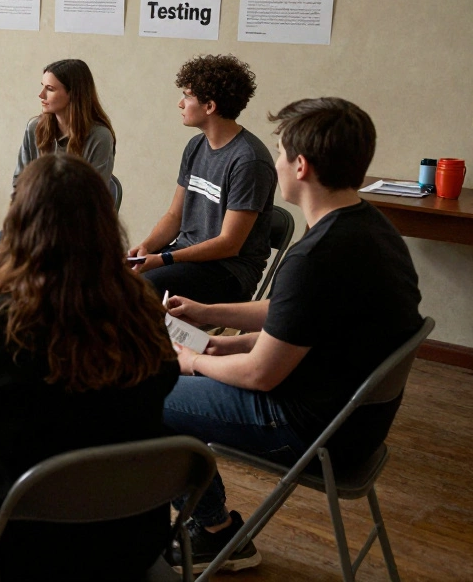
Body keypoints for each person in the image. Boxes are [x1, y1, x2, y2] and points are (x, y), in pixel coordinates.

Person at [161, 98, 423, 574]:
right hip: (357, 421)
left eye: (281, 153)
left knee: (149, 391)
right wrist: (211, 319)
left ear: (300, 166)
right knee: (189, 366)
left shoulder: (317, 256)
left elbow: (261, 375)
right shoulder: (371, 227)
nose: (275, 162)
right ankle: (213, 527)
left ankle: (216, 532)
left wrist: (193, 362)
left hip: (315, 430)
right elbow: (297, 315)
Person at [0, 154, 179, 582]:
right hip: (133, 538)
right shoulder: (144, 312)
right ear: (104, 225)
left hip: (25, 548)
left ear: (20, 226)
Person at [128, 54, 277, 304]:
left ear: (209, 106)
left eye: (187, 96)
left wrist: (163, 259)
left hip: (228, 271)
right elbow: (174, 216)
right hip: (185, 257)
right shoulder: (195, 146)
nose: (180, 104)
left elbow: (229, 244)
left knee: (141, 288)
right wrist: (145, 249)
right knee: (112, 278)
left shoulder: (249, 161)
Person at [0, 59, 116, 276]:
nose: (41, 95)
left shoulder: (99, 137)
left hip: (77, 230)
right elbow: (19, 183)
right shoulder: (35, 127)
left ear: (74, 94)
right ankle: (5, 309)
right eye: (42, 87)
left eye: (49, 89)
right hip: (35, 222)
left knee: (43, 260)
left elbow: (87, 198)